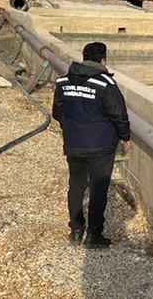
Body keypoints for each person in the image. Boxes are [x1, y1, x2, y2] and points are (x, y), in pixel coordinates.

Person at [53, 42, 131, 249]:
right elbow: (119, 114)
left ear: (84, 58)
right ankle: (94, 235)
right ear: (103, 61)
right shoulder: (106, 84)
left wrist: (73, 129)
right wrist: (125, 136)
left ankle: (76, 231)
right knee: (97, 189)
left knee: (76, 186)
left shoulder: (63, 82)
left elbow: (57, 113)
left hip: (74, 144)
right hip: (101, 146)